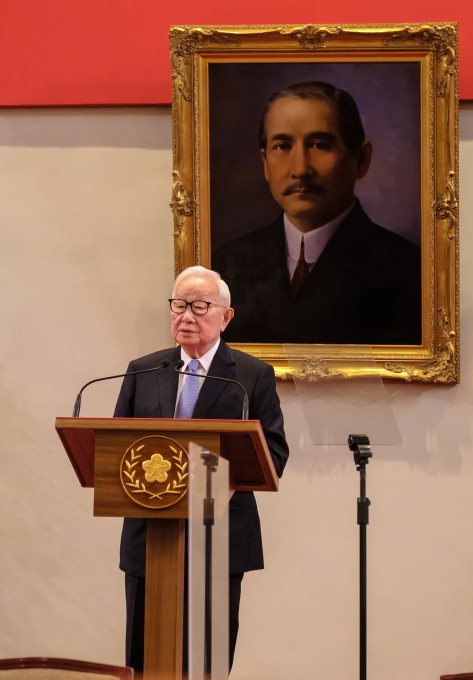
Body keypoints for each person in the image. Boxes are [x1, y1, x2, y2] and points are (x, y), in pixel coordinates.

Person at [115, 265, 289, 671]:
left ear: (226, 316)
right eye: (179, 305)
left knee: (207, 662)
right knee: (144, 662)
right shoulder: (143, 370)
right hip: (150, 535)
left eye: (199, 305)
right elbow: (118, 448)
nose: (186, 315)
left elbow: (274, 454)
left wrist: (207, 476)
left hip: (219, 538)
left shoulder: (251, 376)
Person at [212, 81, 421, 345]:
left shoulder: (409, 270)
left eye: (320, 144)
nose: (300, 169)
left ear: (361, 160)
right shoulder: (228, 265)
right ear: (265, 163)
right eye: (283, 146)